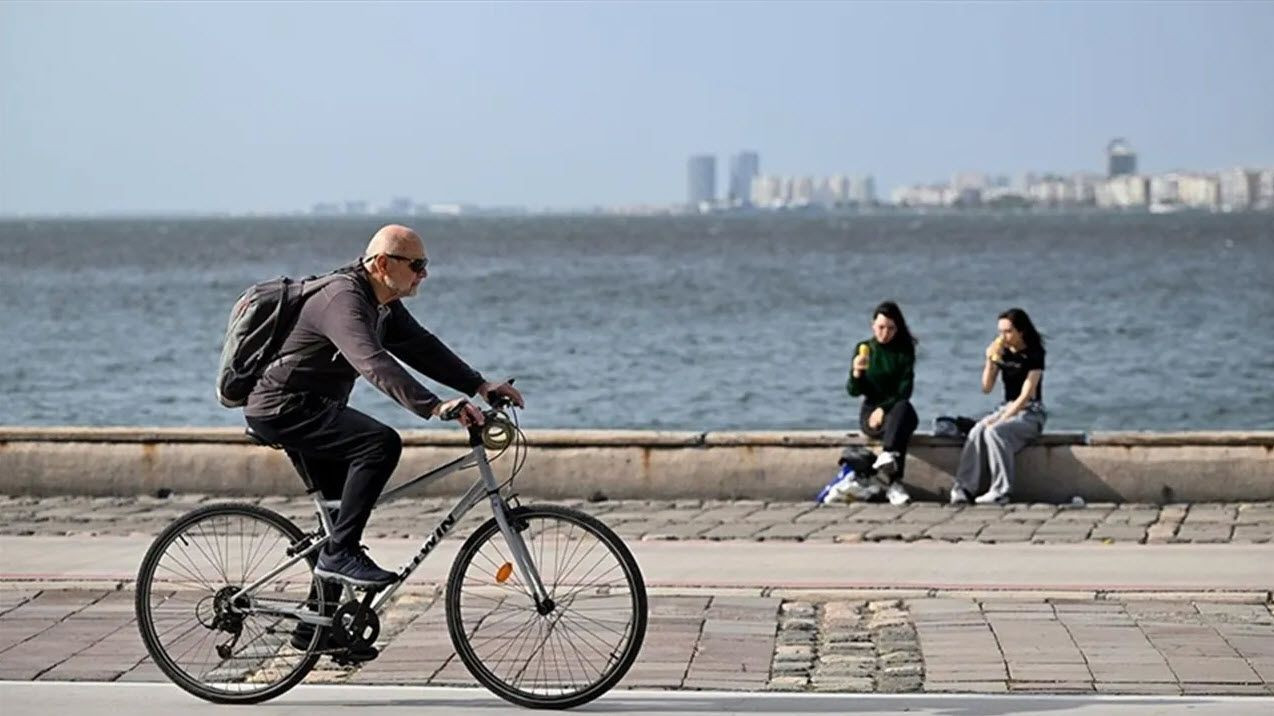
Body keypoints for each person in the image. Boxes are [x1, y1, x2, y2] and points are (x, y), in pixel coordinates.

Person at [243, 224, 523, 588]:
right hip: (283, 408)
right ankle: (340, 555)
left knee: (340, 519)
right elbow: (372, 362)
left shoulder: (383, 304)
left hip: (315, 407)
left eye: (426, 264)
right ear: (381, 264)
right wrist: (436, 407)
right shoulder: (343, 299)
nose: (424, 274)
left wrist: (480, 385)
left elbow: (422, 346)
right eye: (416, 264)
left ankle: (320, 625)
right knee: (380, 444)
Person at [950, 307, 1046, 505]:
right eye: (1000, 332)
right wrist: (990, 360)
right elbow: (986, 388)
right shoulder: (1003, 352)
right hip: (1006, 406)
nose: (1004, 336)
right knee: (977, 431)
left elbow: (1026, 395)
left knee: (995, 431)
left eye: (1008, 332)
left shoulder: (1034, 354)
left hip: (1030, 412)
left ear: (1021, 331)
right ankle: (964, 487)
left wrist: (1002, 419)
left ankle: (1001, 490)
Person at [847, 301, 919, 506]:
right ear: (873, 326)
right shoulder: (865, 349)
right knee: (900, 429)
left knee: (902, 412)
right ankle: (895, 484)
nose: (885, 333)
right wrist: (857, 373)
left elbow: (905, 391)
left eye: (890, 328)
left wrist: (884, 408)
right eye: (881, 327)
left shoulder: (904, 351)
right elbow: (853, 391)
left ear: (898, 328)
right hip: (871, 412)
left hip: (897, 409)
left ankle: (887, 454)